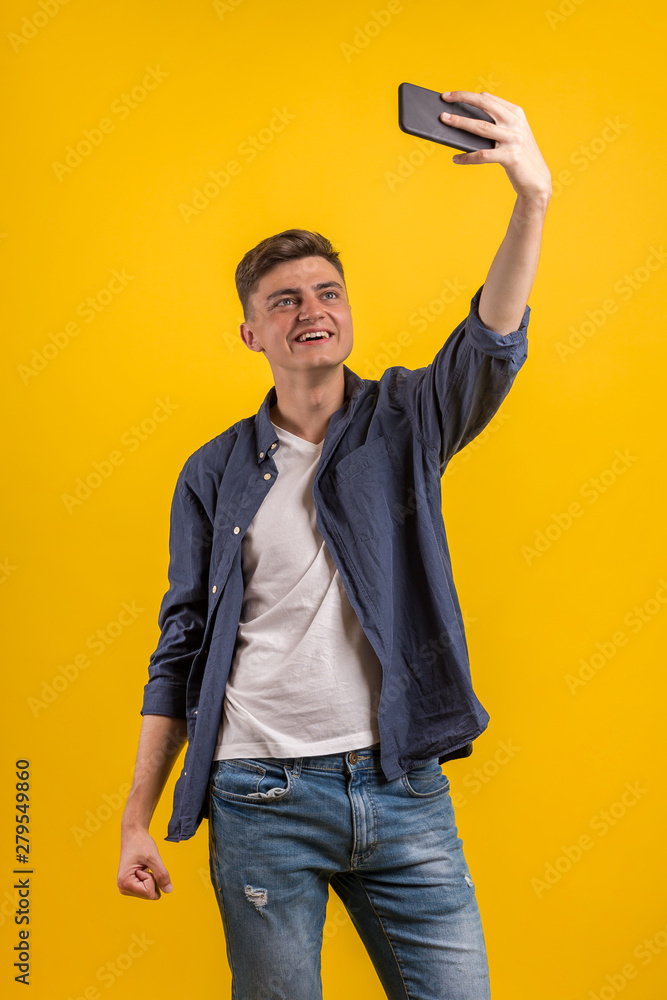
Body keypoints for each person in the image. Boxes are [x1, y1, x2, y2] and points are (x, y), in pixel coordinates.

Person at [118, 90, 551, 999]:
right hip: (258, 797)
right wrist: (135, 822)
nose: (311, 310)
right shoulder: (212, 473)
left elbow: (490, 343)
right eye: (284, 302)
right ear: (252, 333)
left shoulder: (405, 419)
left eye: (327, 293)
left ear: (346, 311)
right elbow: (180, 647)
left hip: (402, 787)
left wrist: (529, 198)